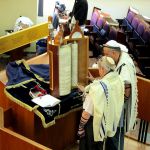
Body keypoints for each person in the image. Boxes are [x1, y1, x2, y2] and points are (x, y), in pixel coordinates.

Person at [77, 56, 125, 150]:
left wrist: (80, 128)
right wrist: (94, 81)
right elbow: (108, 88)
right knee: (99, 146)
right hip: (107, 120)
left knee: (88, 146)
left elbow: (86, 113)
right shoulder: (118, 79)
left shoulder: (96, 89)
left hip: (93, 124)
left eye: (99, 68)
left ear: (102, 69)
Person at [102, 40, 138, 150]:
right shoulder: (120, 58)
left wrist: (116, 106)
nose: (105, 57)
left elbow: (127, 90)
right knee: (111, 137)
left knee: (116, 139)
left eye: (107, 54)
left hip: (118, 111)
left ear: (114, 53)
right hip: (114, 109)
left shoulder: (124, 65)